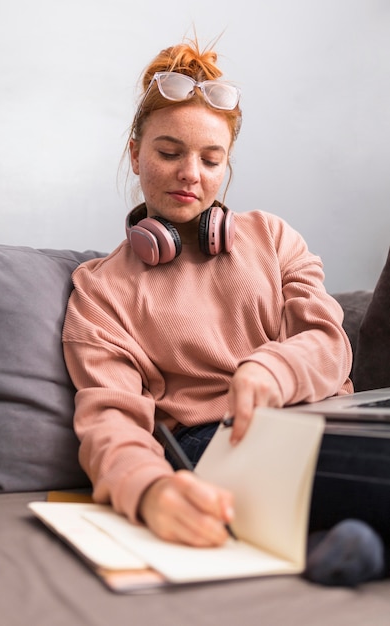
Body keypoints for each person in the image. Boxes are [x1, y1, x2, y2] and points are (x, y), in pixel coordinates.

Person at [62, 37, 384, 585]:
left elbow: (330, 345)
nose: (192, 173)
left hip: (319, 417)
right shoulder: (100, 292)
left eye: (211, 160)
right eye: (168, 153)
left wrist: (271, 367)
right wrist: (152, 490)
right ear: (134, 152)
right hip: (215, 440)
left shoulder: (274, 238)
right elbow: (110, 420)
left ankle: (321, 545)